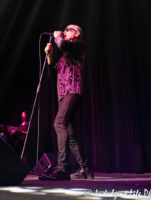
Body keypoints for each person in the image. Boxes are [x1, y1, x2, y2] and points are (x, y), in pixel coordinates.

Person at [44, 24, 93, 180]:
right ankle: (85, 169)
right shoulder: (64, 56)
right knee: (70, 135)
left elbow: (64, 44)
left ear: (77, 33)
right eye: (64, 30)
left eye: (68, 30)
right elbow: (52, 74)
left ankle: (63, 167)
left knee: (59, 123)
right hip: (63, 95)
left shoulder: (79, 45)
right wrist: (50, 55)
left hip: (73, 91)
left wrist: (58, 36)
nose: (64, 32)